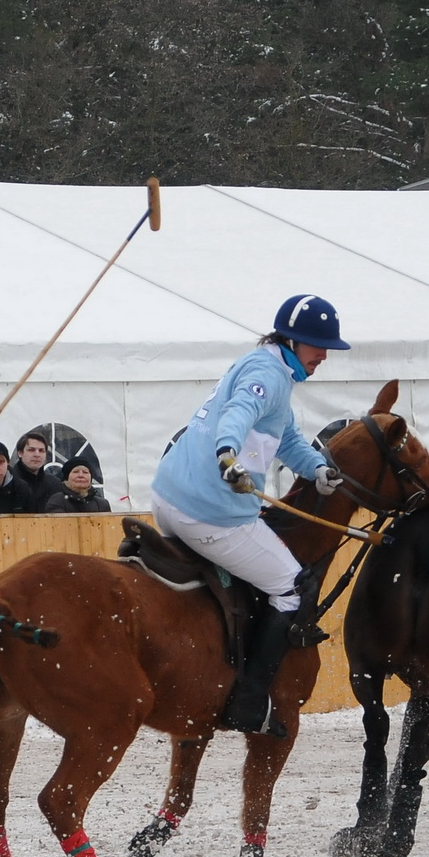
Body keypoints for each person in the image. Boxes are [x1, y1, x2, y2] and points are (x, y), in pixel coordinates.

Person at [151, 293, 349, 739]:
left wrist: (318, 471)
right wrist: (227, 454)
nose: (324, 356)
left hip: (167, 498)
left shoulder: (265, 366)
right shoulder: (267, 375)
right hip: (209, 512)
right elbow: (239, 415)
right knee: (293, 588)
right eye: (318, 347)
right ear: (293, 341)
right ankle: (249, 700)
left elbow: (287, 439)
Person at [11, 431, 61, 511]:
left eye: (41, 451)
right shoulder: (9, 482)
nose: (37, 455)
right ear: (20, 453)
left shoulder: (55, 484)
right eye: (31, 450)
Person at [42, 459, 110, 513]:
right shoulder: (57, 500)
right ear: (67, 478)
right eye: (75, 472)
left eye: (85, 472)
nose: (81, 475)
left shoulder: (102, 504)